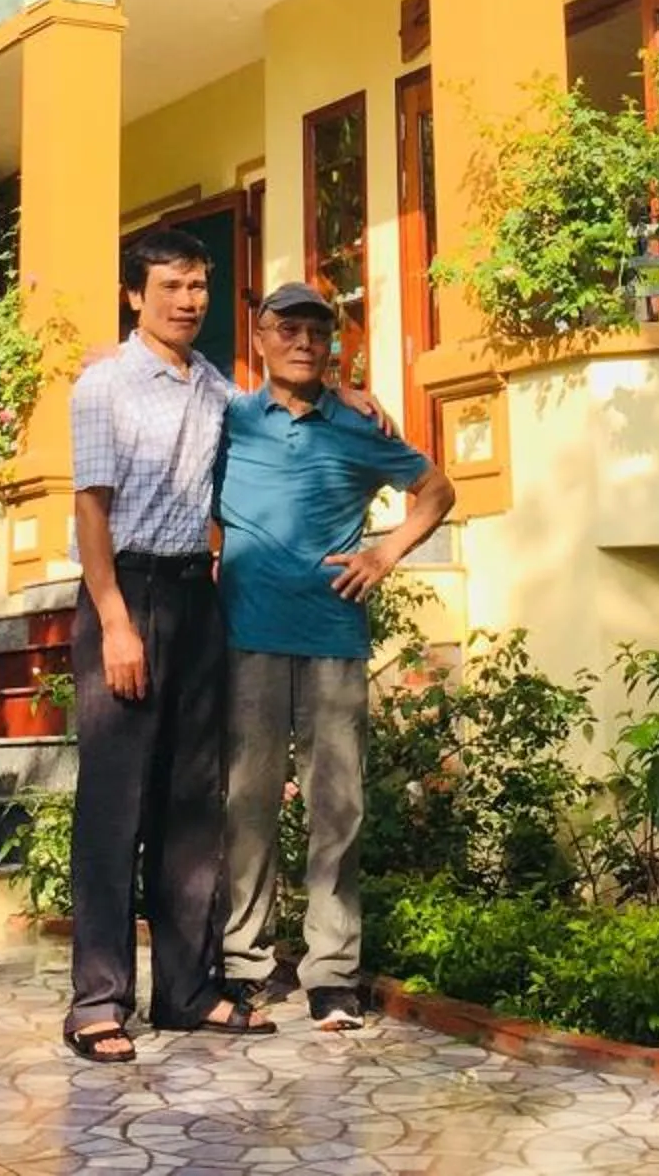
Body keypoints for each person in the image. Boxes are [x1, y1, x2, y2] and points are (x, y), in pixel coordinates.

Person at [216, 282, 457, 1031]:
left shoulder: (358, 427)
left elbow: (436, 490)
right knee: (245, 808)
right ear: (259, 338)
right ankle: (244, 963)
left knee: (337, 810)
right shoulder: (226, 419)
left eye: (318, 333)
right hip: (246, 639)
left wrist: (385, 554)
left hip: (333, 639)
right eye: (287, 329)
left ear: (331, 346)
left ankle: (331, 975)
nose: (304, 343)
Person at [62, 227, 274, 1063]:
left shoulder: (215, 387)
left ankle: (187, 990)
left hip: (197, 593)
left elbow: (274, 415)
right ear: (134, 296)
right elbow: (90, 511)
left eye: (199, 286)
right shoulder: (104, 386)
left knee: (193, 803)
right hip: (129, 591)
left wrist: (350, 396)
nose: (190, 300)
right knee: (116, 804)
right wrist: (113, 619)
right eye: (173, 286)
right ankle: (97, 1001)